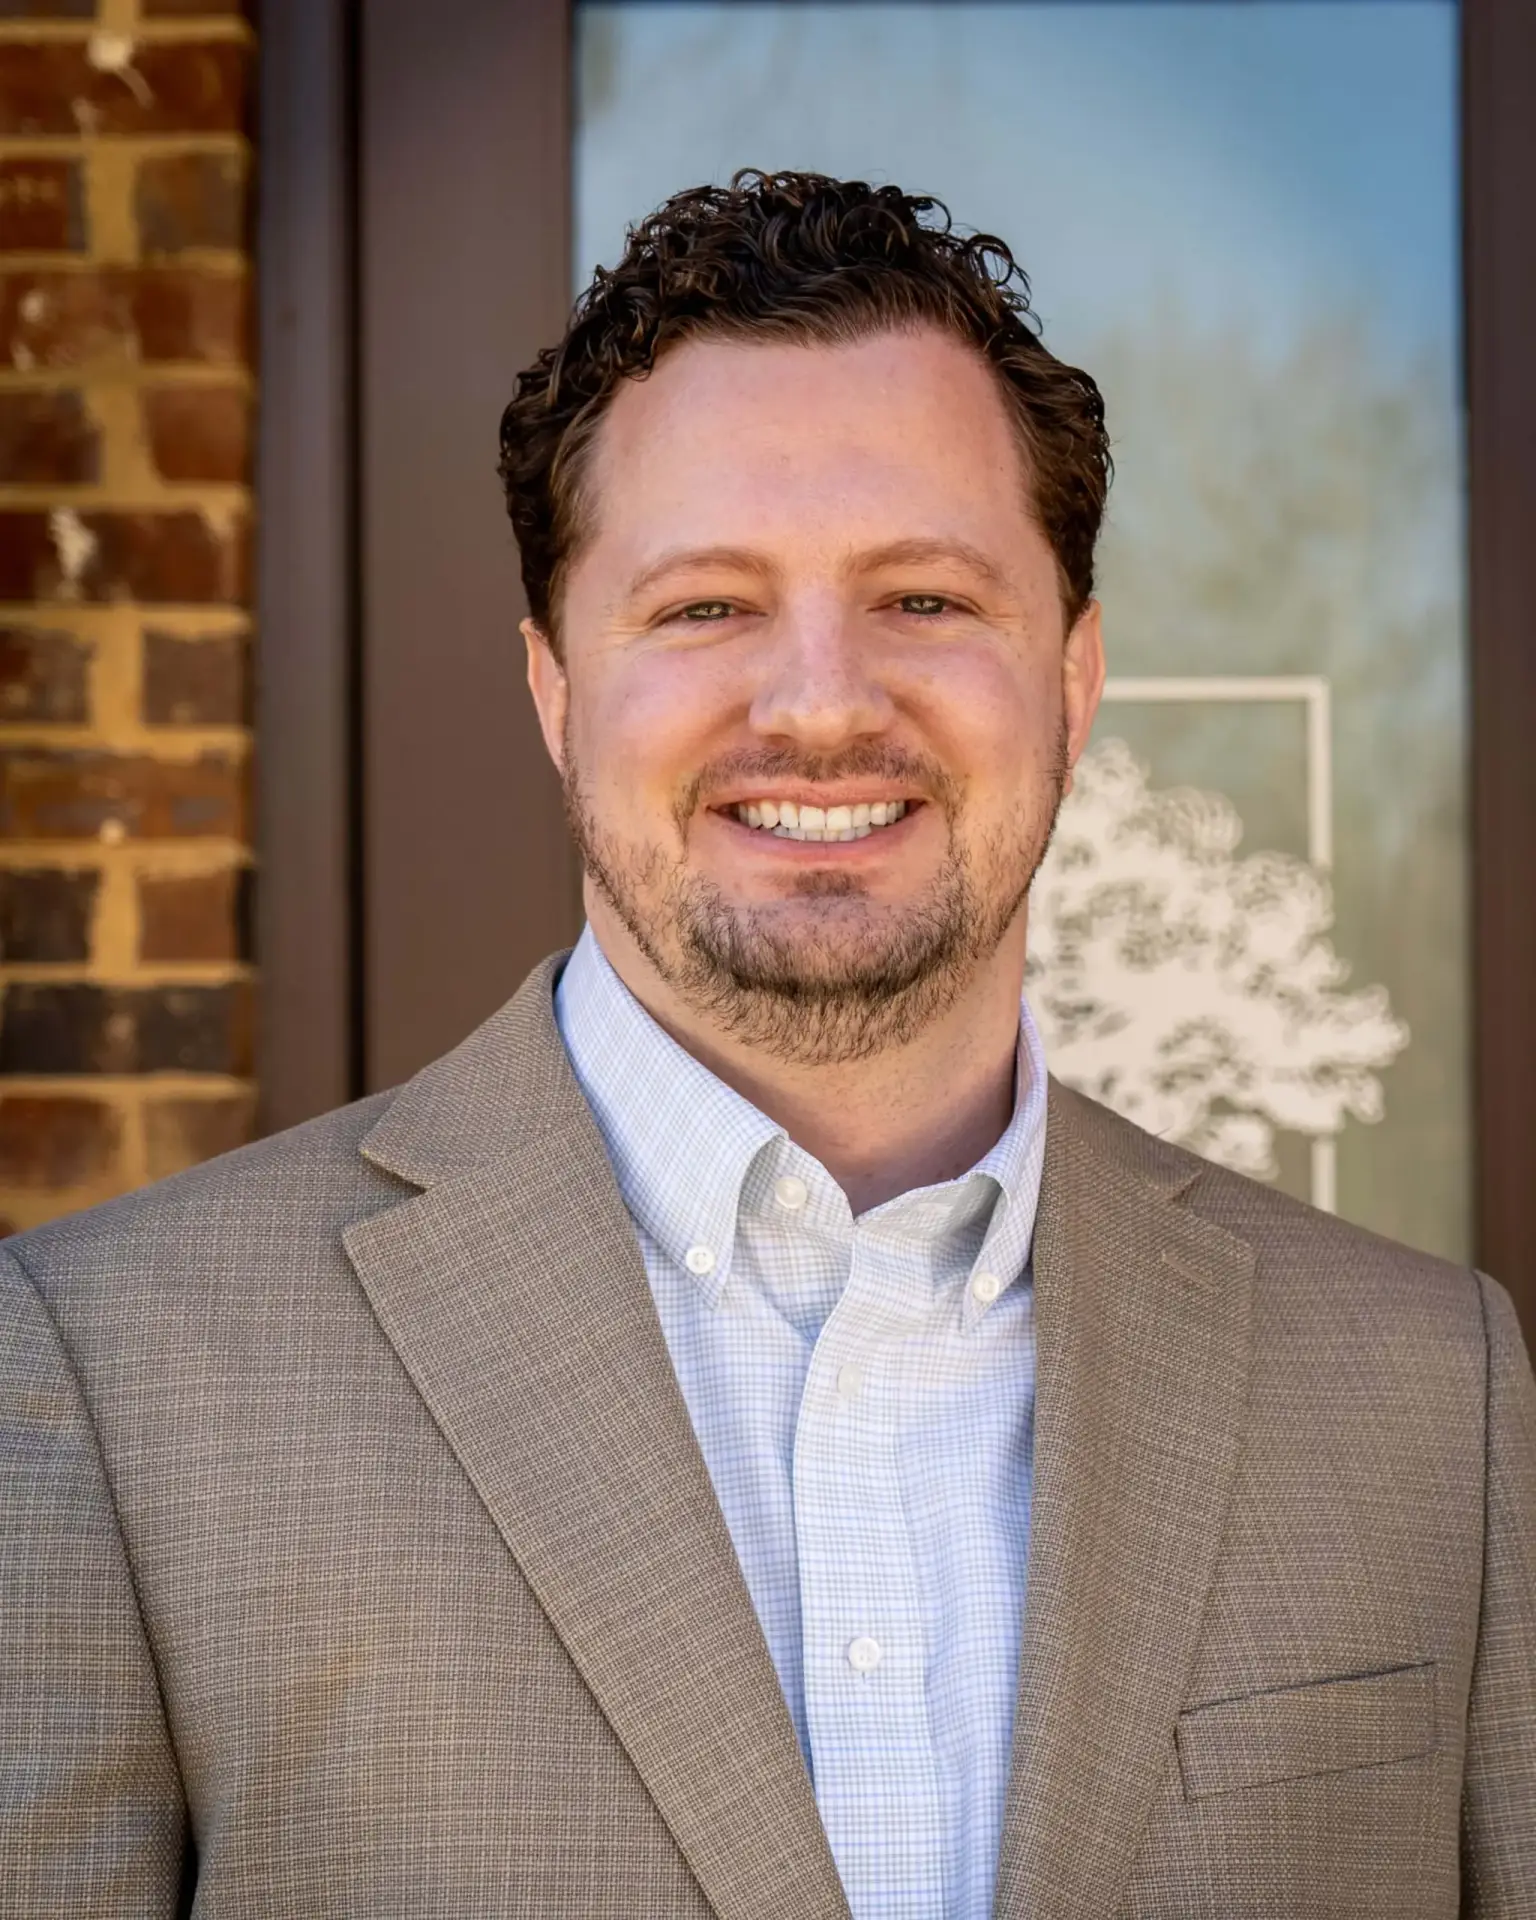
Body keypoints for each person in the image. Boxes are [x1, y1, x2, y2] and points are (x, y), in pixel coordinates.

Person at [2, 170, 1531, 1920]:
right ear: (556, 690)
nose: (819, 703)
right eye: (706, 606)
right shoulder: (112, 1375)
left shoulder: (1429, 1392)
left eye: (926, 600)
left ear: (1074, 677)